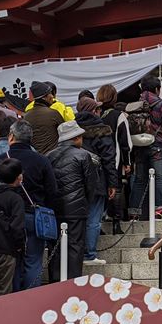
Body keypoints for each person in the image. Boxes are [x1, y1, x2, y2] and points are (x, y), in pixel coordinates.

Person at [5, 120, 59, 289]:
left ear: (11, 136)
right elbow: (52, 191)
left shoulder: (2, 160)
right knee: (34, 260)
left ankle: (14, 298)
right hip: (34, 215)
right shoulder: (41, 160)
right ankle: (32, 298)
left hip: (6, 217)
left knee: (13, 259)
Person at [47, 120, 97, 281]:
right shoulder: (83, 155)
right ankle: (73, 281)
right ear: (76, 138)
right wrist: (85, 204)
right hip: (76, 208)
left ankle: (55, 281)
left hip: (54, 208)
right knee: (75, 246)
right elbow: (91, 185)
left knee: (55, 246)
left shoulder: (48, 156)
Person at [129, 75, 162, 220]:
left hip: (139, 146)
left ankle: (134, 213)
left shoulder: (136, 104)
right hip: (158, 147)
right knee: (159, 179)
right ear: (157, 89)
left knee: (140, 180)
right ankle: (158, 212)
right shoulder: (161, 105)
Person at [76, 97, 117, 265]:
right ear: (93, 111)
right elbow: (109, 158)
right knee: (94, 217)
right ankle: (89, 254)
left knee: (78, 218)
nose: (100, 112)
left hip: (75, 180)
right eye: (97, 109)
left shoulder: (72, 128)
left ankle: (77, 254)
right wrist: (113, 183)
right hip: (97, 180)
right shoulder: (102, 129)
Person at [0, 158, 26, 296]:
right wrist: (19, 245)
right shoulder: (15, 199)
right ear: (18, 177)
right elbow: (17, 227)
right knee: (4, 290)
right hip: (7, 249)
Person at [98, 84, 131, 232]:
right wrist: (127, 162)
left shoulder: (96, 114)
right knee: (116, 188)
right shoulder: (119, 115)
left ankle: (100, 222)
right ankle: (116, 223)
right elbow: (125, 142)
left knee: (101, 189)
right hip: (114, 158)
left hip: (97, 159)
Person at [24, 81, 65, 154]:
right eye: (50, 94)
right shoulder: (53, 113)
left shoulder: (26, 116)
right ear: (44, 97)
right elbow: (64, 133)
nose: (52, 96)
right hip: (55, 155)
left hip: (36, 157)